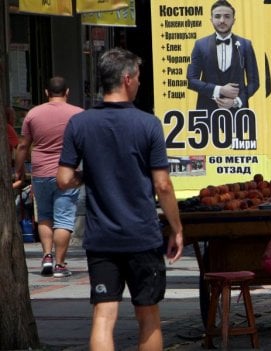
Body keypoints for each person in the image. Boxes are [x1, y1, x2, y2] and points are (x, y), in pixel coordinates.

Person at [56, 48, 184, 350]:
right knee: (149, 315)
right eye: (138, 77)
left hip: (101, 238)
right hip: (142, 235)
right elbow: (163, 185)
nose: (140, 83)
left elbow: (62, 180)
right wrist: (176, 228)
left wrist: (87, 176)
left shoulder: (80, 123)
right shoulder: (148, 124)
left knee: (103, 314)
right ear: (127, 79)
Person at [13, 77, 83, 277]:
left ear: (46, 92)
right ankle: (60, 265)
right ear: (67, 92)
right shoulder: (78, 114)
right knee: (64, 219)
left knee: (44, 216)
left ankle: (46, 257)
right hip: (68, 172)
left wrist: (18, 169)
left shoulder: (33, 114)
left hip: (41, 172)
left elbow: (23, 145)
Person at [187, 0, 259, 113]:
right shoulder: (200, 45)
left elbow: (254, 82)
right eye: (217, 16)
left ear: (233, 20)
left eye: (227, 16)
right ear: (211, 20)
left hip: (238, 113)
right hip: (207, 113)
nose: (222, 21)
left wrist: (236, 101)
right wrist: (219, 90)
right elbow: (191, 80)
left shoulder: (246, 45)